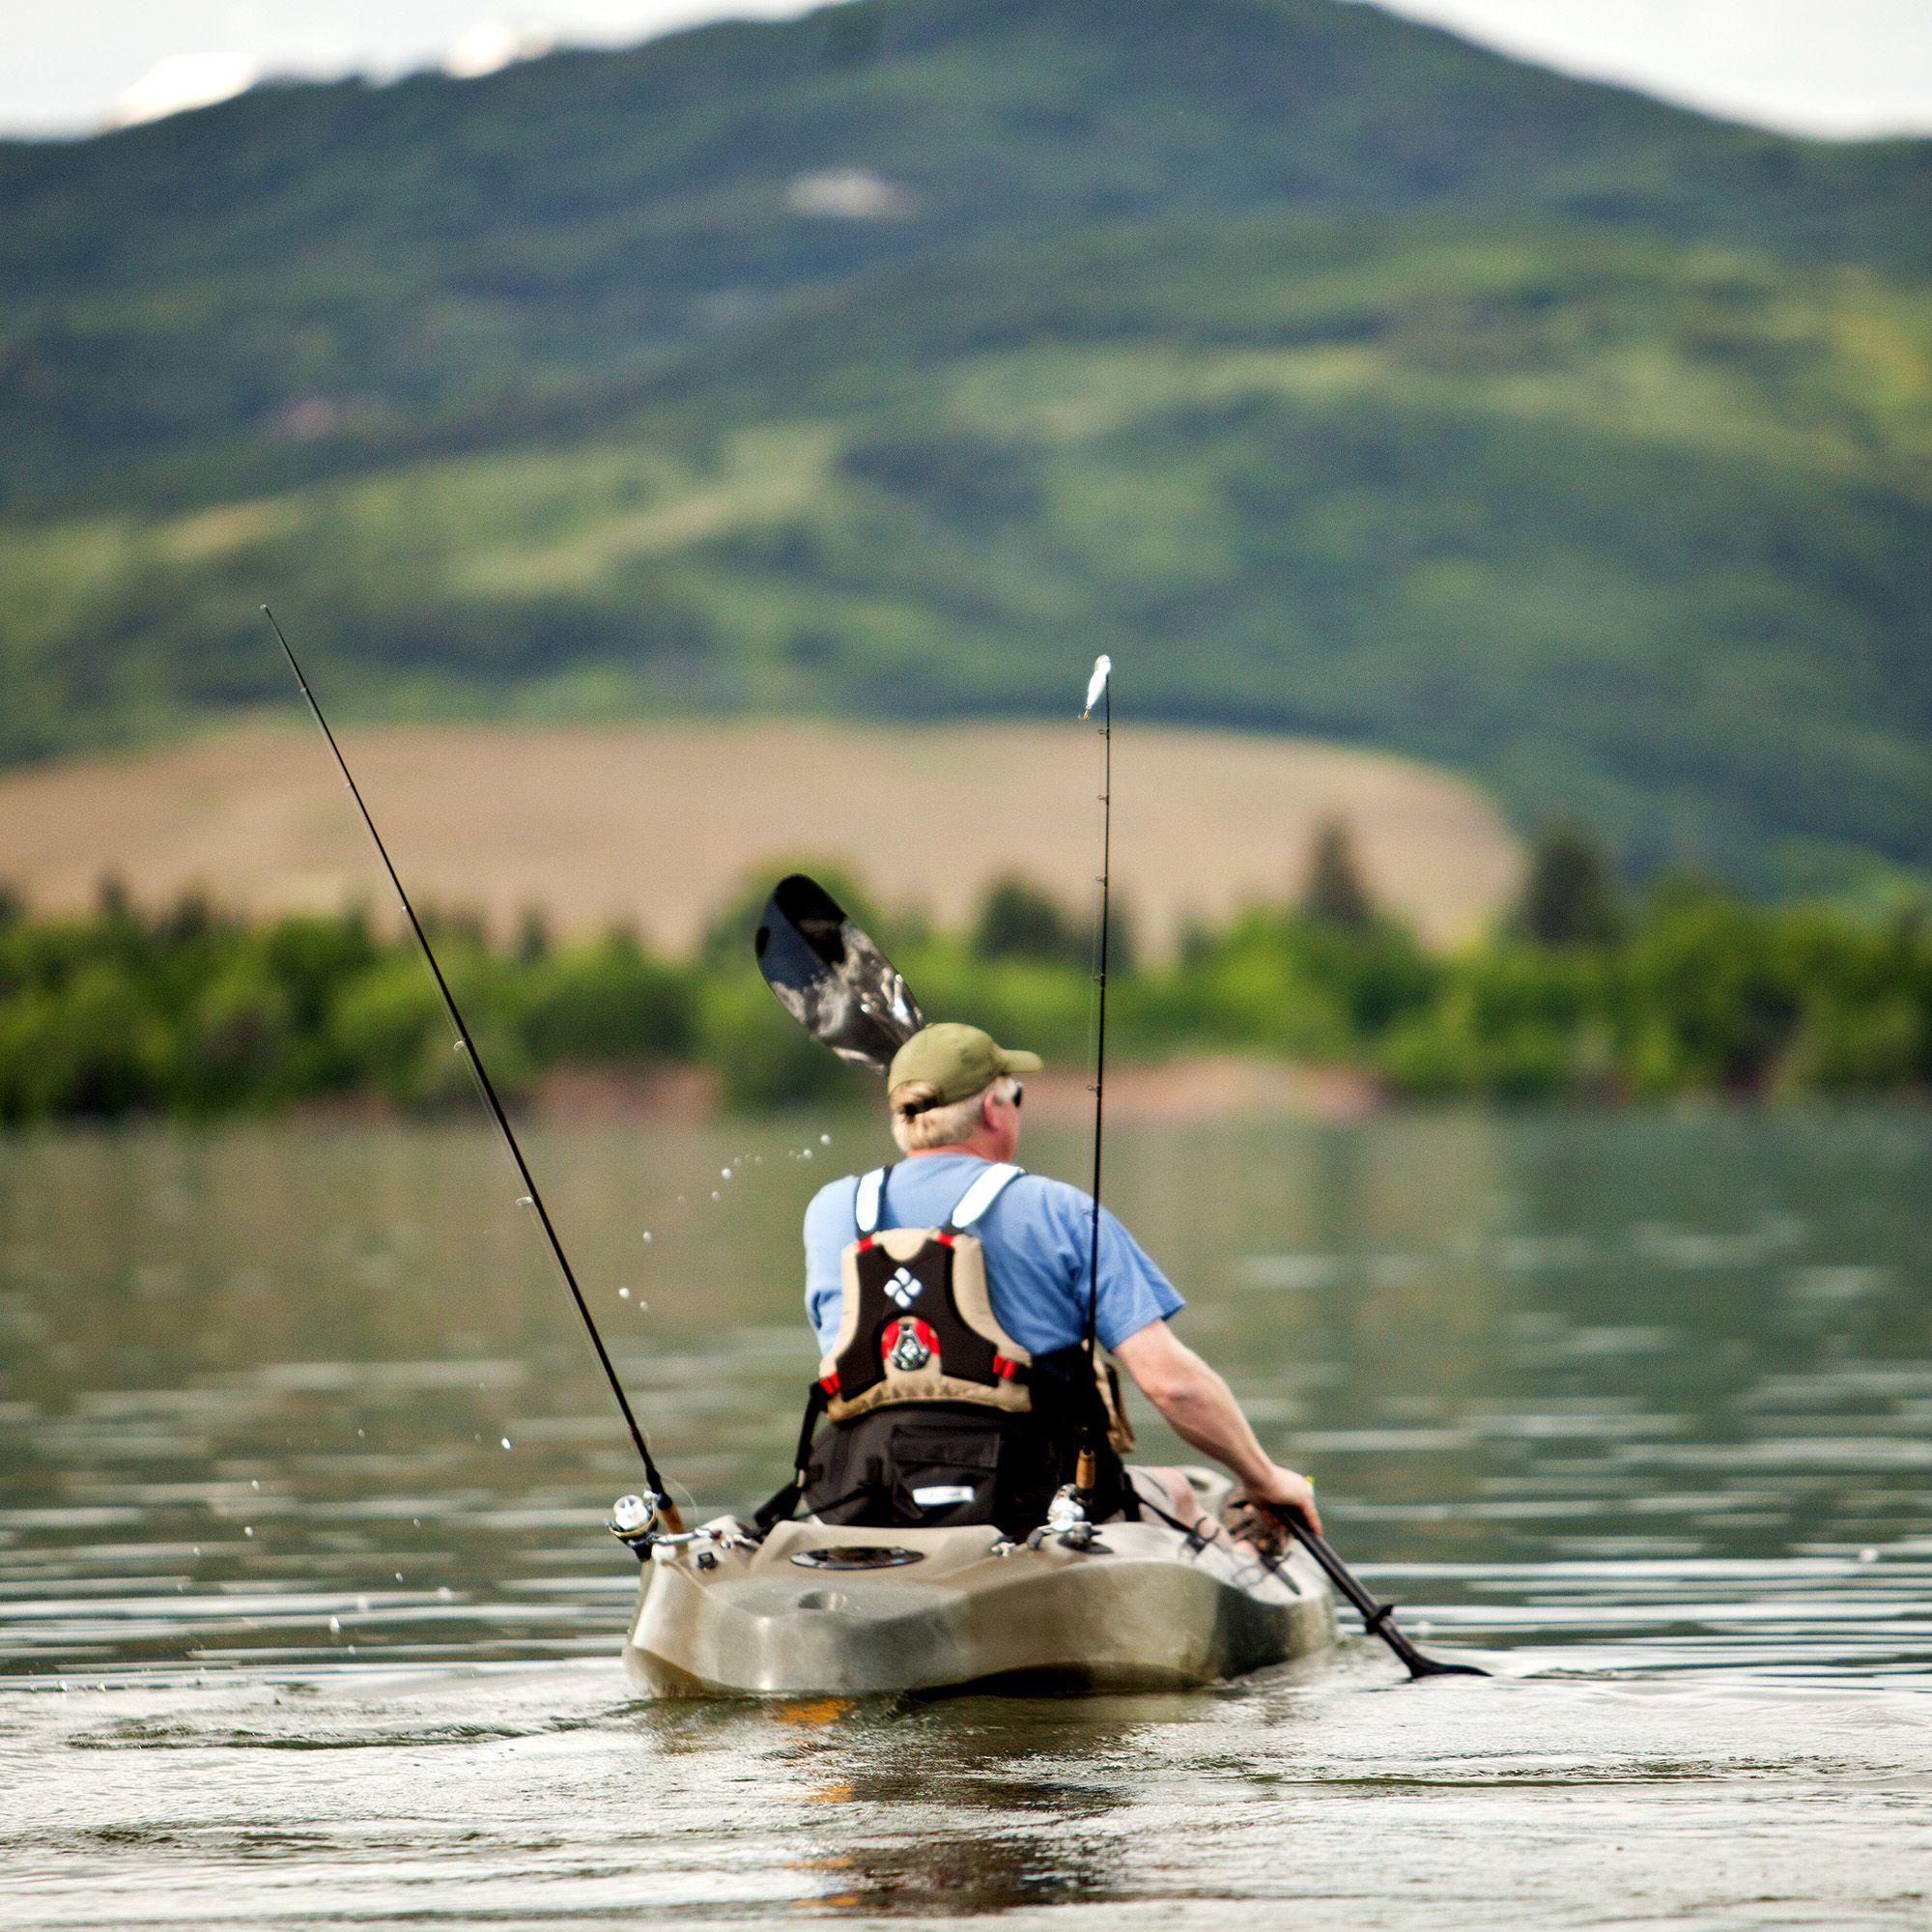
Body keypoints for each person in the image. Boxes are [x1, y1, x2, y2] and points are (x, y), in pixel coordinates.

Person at [770, 1020, 1320, 1545]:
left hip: (861, 1492)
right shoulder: (1059, 1210)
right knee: (1177, 1491)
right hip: (1029, 1496)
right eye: (1017, 1097)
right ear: (992, 1108)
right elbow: (1170, 1385)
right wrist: (1266, 1477)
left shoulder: (830, 1210)